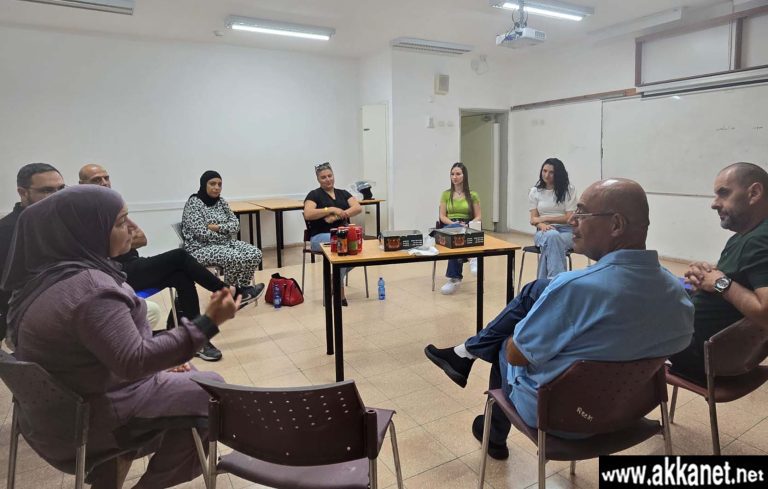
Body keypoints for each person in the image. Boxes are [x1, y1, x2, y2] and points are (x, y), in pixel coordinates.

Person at [424, 178, 694, 459]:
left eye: (582, 213)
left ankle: (493, 432)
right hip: (629, 412)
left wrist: (527, 331)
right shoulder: (677, 294)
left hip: (563, 417)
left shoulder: (574, 289)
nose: (573, 220)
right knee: (537, 292)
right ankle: (468, 364)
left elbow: (517, 355)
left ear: (616, 225)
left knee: (504, 345)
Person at [0, 185, 238, 489]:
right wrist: (207, 323)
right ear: (86, 230)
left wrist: (160, 364)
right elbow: (134, 361)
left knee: (186, 376)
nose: (134, 228)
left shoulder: (45, 278)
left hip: (60, 413)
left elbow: (95, 353)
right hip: (94, 420)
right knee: (211, 390)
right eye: (121, 221)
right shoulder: (92, 290)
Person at [79, 164, 264, 362]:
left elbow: (142, 239)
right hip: (116, 273)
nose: (104, 183)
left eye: (106, 178)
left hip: (134, 263)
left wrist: (118, 241)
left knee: (181, 276)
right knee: (179, 256)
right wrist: (121, 241)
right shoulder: (82, 214)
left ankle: (196, 339)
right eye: (96, 180)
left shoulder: (114, 207)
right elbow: (98, 250)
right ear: (81, 185)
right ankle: (230, 292)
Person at [669, 162, 768, 383]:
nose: (714, 204)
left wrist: (721, 283)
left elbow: (766, 312)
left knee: (627, 317)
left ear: (754, 193)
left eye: (724, 193)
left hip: (701, 358)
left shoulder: (759, 241)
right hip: (732, 358)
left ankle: (619, 399)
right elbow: (735, 282)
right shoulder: (745, 237)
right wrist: (706, 277)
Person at [0, 163, 66, 343]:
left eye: (61, 189)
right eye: (47, 190)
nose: (57, 196)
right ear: (23, 192)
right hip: (25, 323)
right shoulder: (6, 232)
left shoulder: (63, 223)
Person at [182, 171, 263, 293]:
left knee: (255, 254)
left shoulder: (221, 202)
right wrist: (226, 232)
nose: (217, 187)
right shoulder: (194, 203)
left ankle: (242, 289)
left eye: (219, 184)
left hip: (224, 243)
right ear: (204, 184)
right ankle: (230, 293)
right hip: (200, 248)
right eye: (212, 184)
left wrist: (216, 227)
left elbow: (236, 226)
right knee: (234, 257)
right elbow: (201, 233)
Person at [303, 162, 363, 306]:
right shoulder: (314, 195)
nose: (328, 179)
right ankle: (339, 294)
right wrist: (330, 209)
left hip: (342, 236)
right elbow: (308, 213)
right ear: (318, 179)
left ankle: (333, 280)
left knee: (358, 249)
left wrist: (337, 216)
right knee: (343, 246)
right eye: (323, 177)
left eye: (330, 176)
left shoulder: (343, 193)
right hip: (320, 237)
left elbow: (357, 207)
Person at [529, 158, 577, 279]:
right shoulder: (535, 192)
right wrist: (542, 225)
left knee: (551, 245)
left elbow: (569, 218)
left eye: (551, 172)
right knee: (552, 236)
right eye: (544, 171)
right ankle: (557, 282)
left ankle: (544, 283)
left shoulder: (569, 190)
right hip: (544, 231)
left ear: (558, 174)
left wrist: (545, 218)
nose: (546, 175)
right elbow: (534, 219)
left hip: (567, 232)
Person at [438, 162, 482, 295]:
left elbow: (478, 216)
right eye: (452, 174)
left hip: (467, 225)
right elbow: (442, 216)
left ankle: (455, 278)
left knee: (460, 236)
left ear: (464, 176)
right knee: (455, 232)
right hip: (449, 225)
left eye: (458, 174)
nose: (454, 177)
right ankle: (472, 257)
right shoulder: (446, 194)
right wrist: (454, 224)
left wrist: (468, 224)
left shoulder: (473, 195)